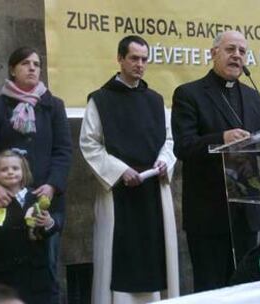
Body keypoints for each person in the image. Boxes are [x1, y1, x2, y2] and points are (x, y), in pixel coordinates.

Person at [79, 35, 178, 304]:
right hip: (119, 193)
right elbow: (90, 143)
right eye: (134, 58)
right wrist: (120, 171)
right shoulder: (100, 100)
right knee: (120, 256)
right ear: (120, 59)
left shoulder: (156, 101)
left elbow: (169, 140)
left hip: (152, 192)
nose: (140, 64)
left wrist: (163, 161)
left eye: (144, 59)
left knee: (154, 252)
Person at [172, 30, 260, 292]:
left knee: (245, 289)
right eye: (230, 49)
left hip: (246, 212)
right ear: (213, 53)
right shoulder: (189, 94)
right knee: (212, 289)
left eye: (242, 51)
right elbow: (183, 146)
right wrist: (221, 138)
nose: (237, 55)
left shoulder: (255, 97)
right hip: (208, 212)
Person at [0, 46, 72, 303]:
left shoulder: (53, 106)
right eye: (25, 63)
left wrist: (52, 186)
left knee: (44, 269)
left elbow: (63, 150)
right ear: (13, 69)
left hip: (43, 200)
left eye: (37, 64)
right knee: (0, 272)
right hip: (2, 201)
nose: (33, 68)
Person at [0, 150, 63, 303]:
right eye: (4, 169)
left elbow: (54, 225)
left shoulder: (37, 197)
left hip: (35, 279)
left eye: (15, 168)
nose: (10, 172)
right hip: (1, 279)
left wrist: (48, 222)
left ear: (24, 171)